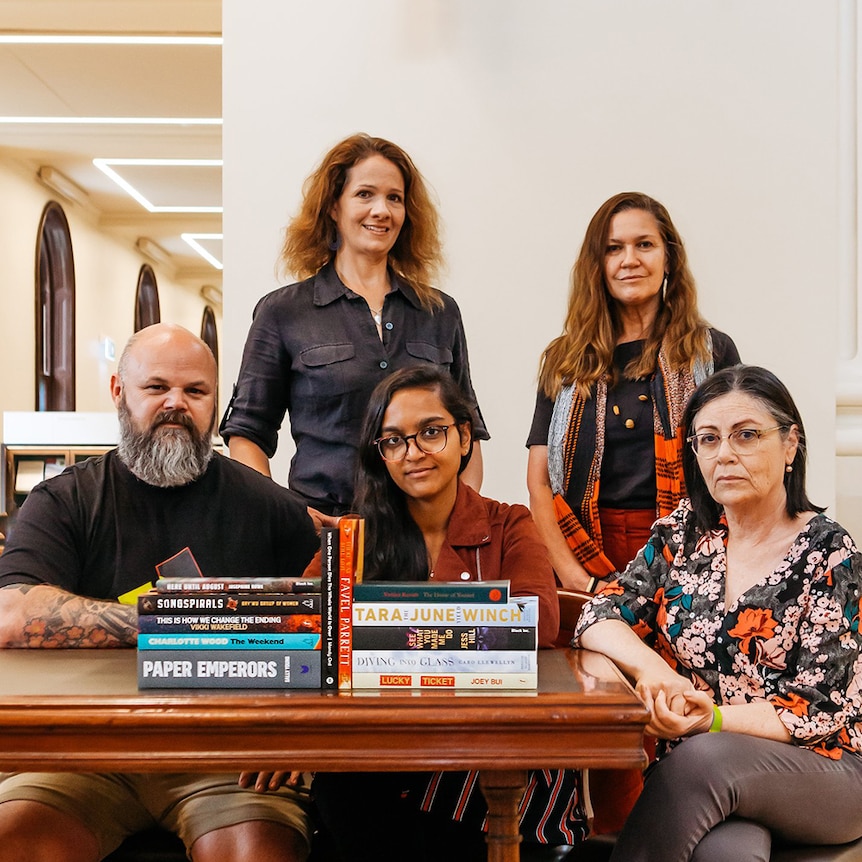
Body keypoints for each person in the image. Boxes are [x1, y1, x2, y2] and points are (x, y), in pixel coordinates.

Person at [0, 324, 321, 862]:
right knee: (17, 840)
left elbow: (324, 624)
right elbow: (12, 615)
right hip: (81, 756)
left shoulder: (271, 507)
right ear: (119, 392)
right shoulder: (63, 501)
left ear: (215, 405)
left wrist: (297, 732)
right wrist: (186, 616)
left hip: (226, 758)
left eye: (195, 391)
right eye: (156, 388)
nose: (177, 403)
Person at [574, 365, 862, 861]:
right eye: (707, 439)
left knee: (702, 757)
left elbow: (819, 708)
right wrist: (659, 673)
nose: (724, 454)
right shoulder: (683, 533)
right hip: (710, 776)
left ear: (791, 445)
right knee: (726, 851)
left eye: (746, 436)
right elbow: (599, 616)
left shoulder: (832, 552)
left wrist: (714, 720)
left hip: (824, 769)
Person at [309, 365, 579, 861]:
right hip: (379, 743)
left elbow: (538, 621)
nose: (413, 452)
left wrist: (382, 625)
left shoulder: (509, 523)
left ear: (464, 438)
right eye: (393, 441)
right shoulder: (354, 534)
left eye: (431, 432)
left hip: (489, 735)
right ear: (380, 455)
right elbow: (308, 625)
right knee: (338, 785)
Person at [220, 133, 488, 517]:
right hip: (324, 531)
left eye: (394, 198)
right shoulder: (282, 312)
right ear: (333, 206)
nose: (382, 210)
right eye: (365, 194)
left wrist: (452, 520)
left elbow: (467, 432)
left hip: (424, 534)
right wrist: (291, 518)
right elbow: (247, 434)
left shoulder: (440, 312)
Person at [527, 191, 740, 595]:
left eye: (644, 244)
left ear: (668, 259)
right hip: (584, 546)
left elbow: (737, 460)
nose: (630, 260)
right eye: (613, 249)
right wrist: (574, 577)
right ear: (598, 265)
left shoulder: (710, 353)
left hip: (693, 551)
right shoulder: (565, 360)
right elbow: (539, 484)